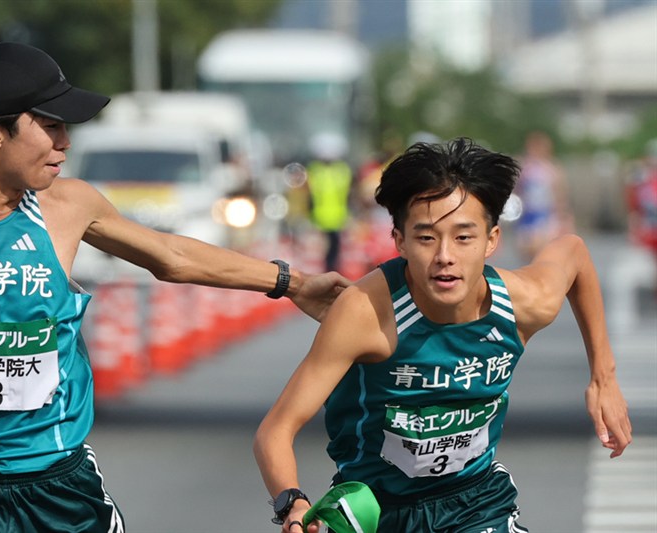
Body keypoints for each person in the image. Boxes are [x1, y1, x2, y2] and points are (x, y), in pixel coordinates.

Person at [0, 42, 350, 532]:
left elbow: (171, 256)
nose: (65, 142)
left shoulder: (67, 207)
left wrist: (292, 282)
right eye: (50, 125)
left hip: (60, 487)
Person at [253, 138, 632, 532]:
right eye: (426, 238)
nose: (445, 256)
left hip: (477, 504)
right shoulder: (365, 313)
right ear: (399, 241)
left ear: (492, 240)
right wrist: (292, 504)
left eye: (463, 237)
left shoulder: (520, 303)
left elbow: (573, 252)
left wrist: (603, 379)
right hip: (378, 512)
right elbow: (275, 430)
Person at [513, 131, 574, 260]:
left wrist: (563, 215)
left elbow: (560, 193)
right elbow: (516, 190)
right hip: (527, 213)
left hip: (545, 213)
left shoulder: (552, 168)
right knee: (525, 250)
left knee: (540, 248)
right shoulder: (524, 167)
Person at [305, 133, 354, 272]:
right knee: (322, 251)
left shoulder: (338, 170)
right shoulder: (318, 169)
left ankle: (330, 271)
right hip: (321, 217)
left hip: (335, 217)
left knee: (333, 250)